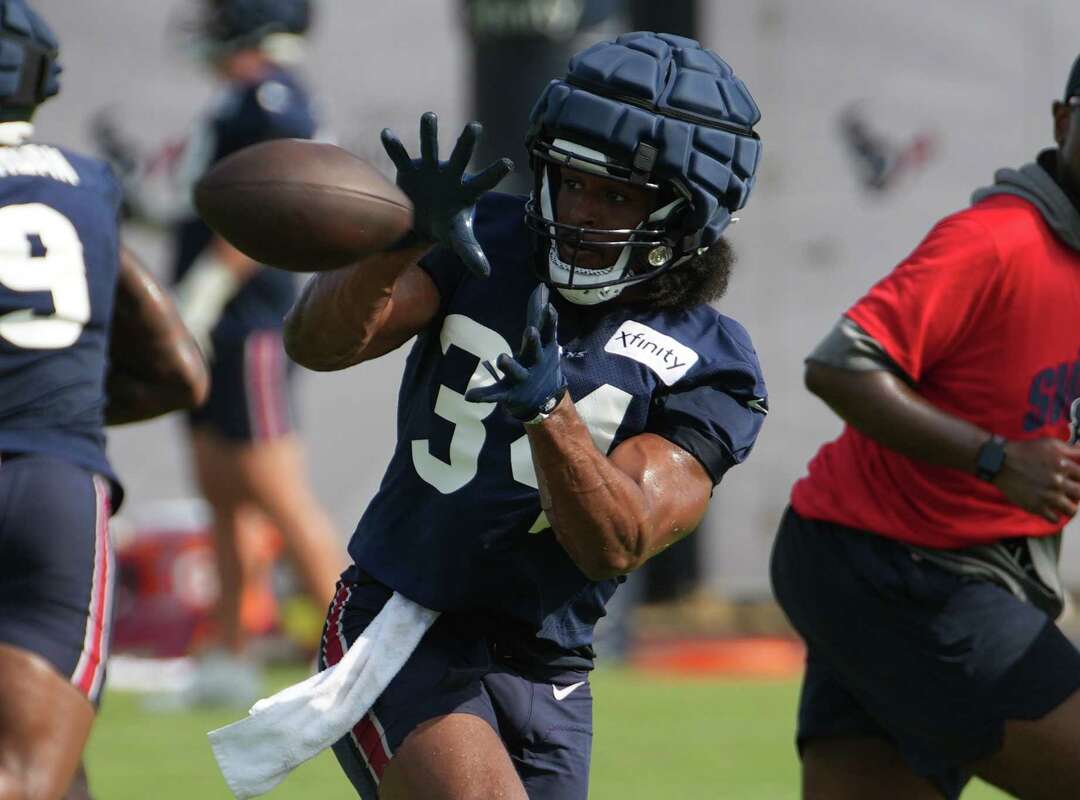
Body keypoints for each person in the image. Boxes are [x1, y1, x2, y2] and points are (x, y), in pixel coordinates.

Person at [284, 31, 767, 800]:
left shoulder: (712, 363)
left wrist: (551, 412)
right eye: (570, 181)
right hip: (404, 620)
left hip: (551, 669)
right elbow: (321, 345)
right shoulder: (492, 241)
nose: (579, 210)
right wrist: (393, 246)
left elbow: (618, 541)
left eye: (615, 195)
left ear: (691, 213)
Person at [771, 30, 1080, 800]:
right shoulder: (994, 242)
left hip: (938, 573)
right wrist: (997, 458)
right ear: (1063, 119)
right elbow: (839, 366)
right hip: (891, 560)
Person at [100, 0, 345, 704]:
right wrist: (140, 198)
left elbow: (274, 201)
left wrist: (205, 292)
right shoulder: (239, 99)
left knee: (275, 488)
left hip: (250, 324)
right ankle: (228, 652)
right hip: (217, 326)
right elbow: (202, 201)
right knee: (221, 490)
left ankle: (357, 652)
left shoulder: (274, 99)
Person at [0, 2, 210, 797]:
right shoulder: (86, 186)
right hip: (53, 489)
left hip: (48, 456)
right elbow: (181, 370)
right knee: (34, 767)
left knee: (52, 768)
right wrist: (61, 409)